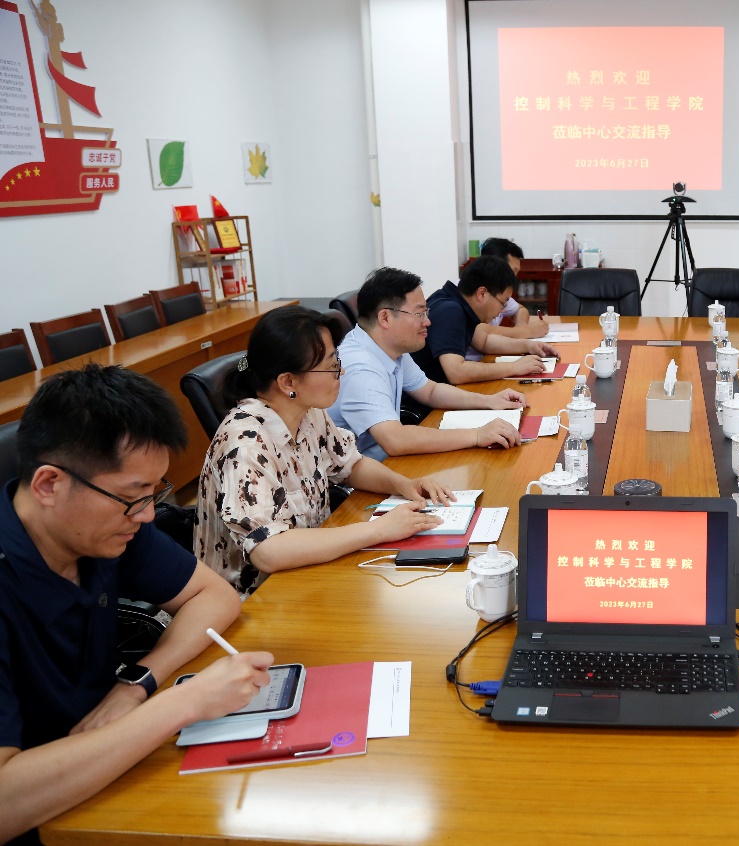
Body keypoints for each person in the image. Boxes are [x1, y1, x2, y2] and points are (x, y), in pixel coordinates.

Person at [0, 364, 271, 845]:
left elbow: (215, 596)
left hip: (108, 769)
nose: (147, 515)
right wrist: (181, 704)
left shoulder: (106, 527)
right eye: (132, 496)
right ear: (48, 484)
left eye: (153, 492)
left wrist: (137, 684)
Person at [196, 306, 454, 596]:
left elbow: (350, 464)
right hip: (255, 598)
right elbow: (267, 551)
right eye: (331, 365)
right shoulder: (245, 444)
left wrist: (404, 485)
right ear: (288, 382)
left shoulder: (307, 411)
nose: (340, 371)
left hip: (310, 567)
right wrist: (379, 529)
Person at [329, 267, 526, 460]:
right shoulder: (360, 366)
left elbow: (430, 391)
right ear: (385, 318)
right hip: (361, 471)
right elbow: (395, 440)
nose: (427, 322)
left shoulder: (389, 347)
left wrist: (489, 401)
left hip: (383, 459)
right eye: (419, 314)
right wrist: (477, 435)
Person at [413, 256, 561, 385]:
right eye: (502, 303)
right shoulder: (450, 311)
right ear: (482, 293)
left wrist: (529, 346)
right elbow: (456, 372)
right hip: (424, 405)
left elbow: (483, 341)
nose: (502, 310)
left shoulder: (459, 303)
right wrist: (515, 367)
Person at [475, 238, 549, 343]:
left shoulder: (498, 291)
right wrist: (524, 332)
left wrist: (521, 327)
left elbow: (521, 309)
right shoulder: (470, 293)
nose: (514, 278)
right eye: (512, 272)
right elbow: (481, 334)